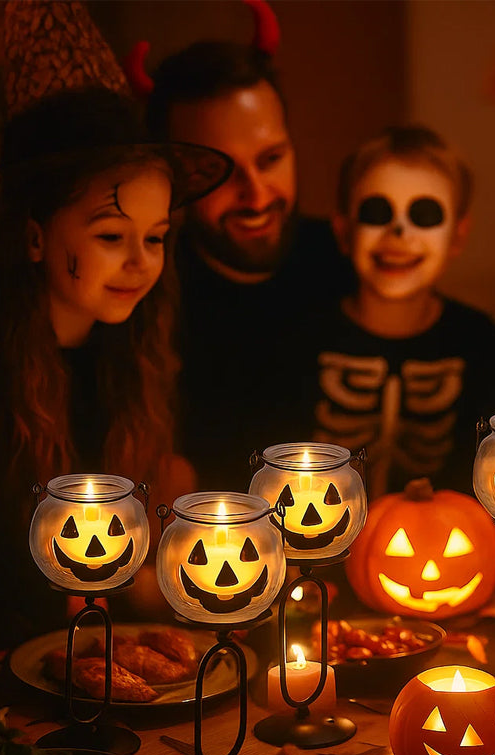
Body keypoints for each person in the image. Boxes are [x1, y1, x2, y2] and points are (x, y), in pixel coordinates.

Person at [0, 87, 232, 650]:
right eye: (110, 236)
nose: (140, 262)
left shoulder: (129, 361)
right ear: (34, 237)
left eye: (155, 238)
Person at [146, 40, 353, 492]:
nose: (256, 196)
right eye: (218, 171)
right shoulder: (144, 294)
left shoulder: (358, 266)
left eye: (271, 159)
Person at [303, 125, 495, 498]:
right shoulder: (300, 335)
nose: (398, 232)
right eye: (376, 212)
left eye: (425, 215)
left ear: (458, 235)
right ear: (344, 231)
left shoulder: (480, 341)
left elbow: (490, 477)